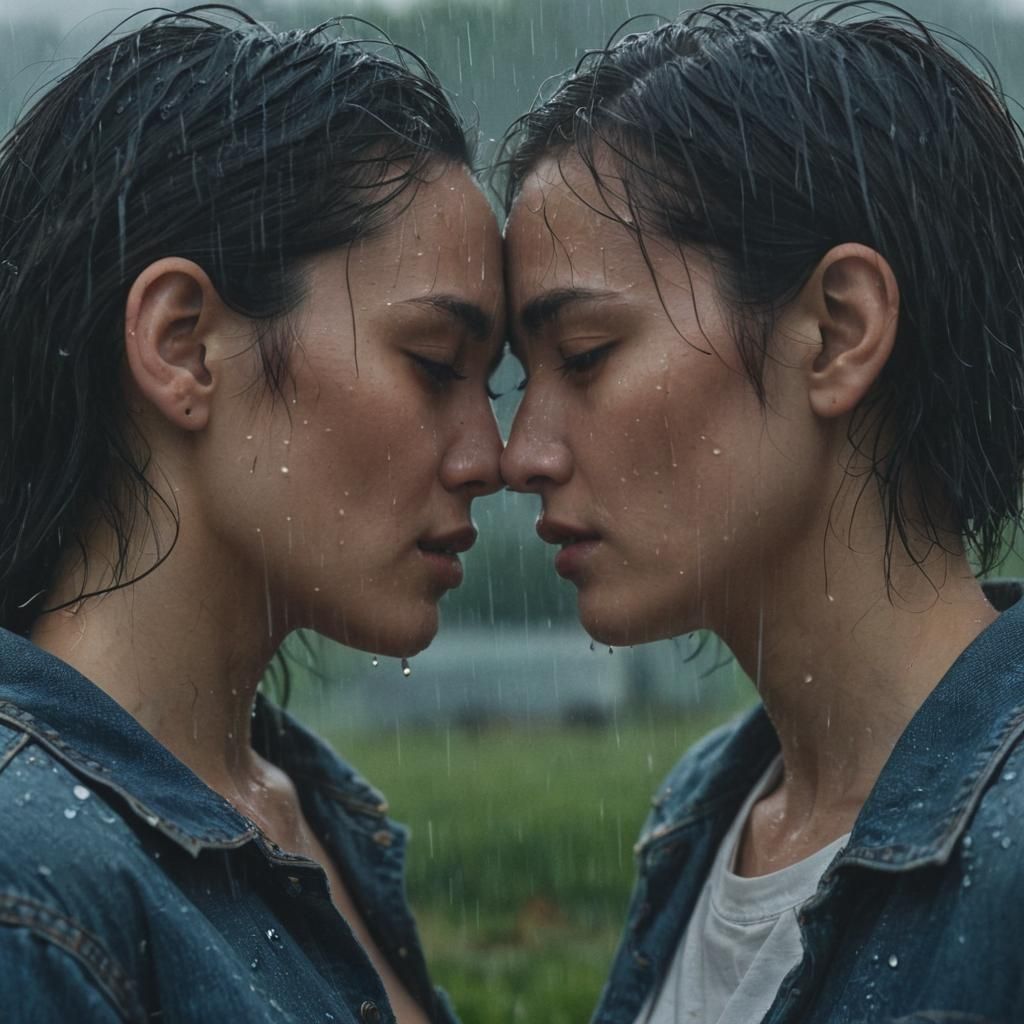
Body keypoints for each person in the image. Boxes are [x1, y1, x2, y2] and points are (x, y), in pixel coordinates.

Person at [499, 4, 1024, 1022]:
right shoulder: (705, 815)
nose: (523, 453)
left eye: (588, 356)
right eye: (524, 377)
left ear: (834, 332)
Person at [0, 7, 503, 1022]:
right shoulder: (32, 884)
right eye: (434, 365)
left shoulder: (310, 814)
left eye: (488, 385)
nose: (489, 458)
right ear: (185, 345)